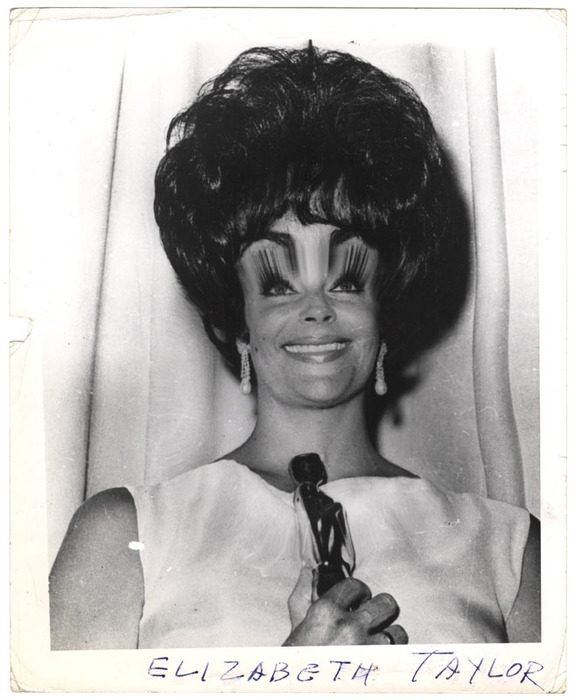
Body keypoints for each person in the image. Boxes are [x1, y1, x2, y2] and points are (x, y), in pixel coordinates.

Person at [49, 44, 540, 650]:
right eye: (279, 281)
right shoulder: (124, 537)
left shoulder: (512, 551)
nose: (316, 307)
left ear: (386, 305)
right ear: (238, 318)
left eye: (346, 277)